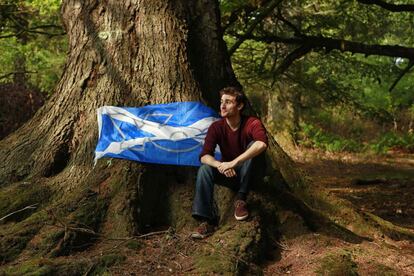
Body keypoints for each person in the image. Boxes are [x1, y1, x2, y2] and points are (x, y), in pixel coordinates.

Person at [191, 87, 268, 239]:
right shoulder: (216, 127)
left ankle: (240, 200)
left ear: (239, 106)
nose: (222, 106)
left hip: (253, 174)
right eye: (221, 102)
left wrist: (233, 162)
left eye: (228, 102)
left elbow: (262, 144)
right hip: (231, 173)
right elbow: (204, 156)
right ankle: (206, 221)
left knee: (253, 146)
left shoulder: (252, 123)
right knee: (205, 169)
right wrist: (221, 165)